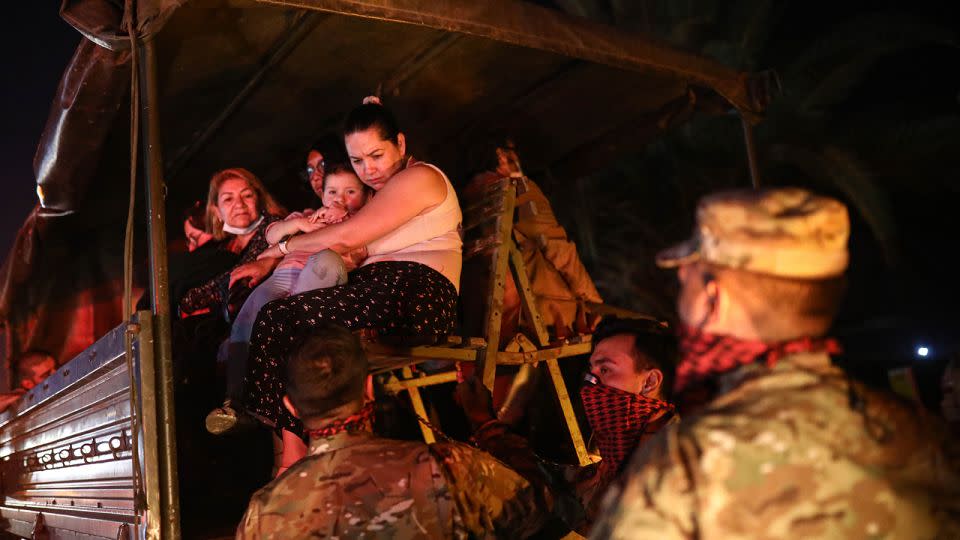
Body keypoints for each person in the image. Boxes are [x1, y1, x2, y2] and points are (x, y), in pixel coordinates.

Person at [592, 187, 960, 539]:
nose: (679, 306)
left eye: (683, 286)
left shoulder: (685, 465)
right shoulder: (930, 440)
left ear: (712, 298)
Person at [239, 97, 462, 474]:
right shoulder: (381, 193)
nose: (369, 169)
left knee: (281, 320)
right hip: (381, 290)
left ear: (401, 145)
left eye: (377, 154)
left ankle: (292, 460)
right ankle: (297, 452)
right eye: (357, 161)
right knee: (281, 320)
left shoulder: (420, 177)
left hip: (415, 295)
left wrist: (281, 248)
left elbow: (346, 238)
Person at [235, 322, 546, 539]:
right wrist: (486, 424)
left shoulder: (264, 513)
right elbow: (537, 507)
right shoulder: (443, 467)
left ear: (291, 407)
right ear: (369, 389)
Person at [457, 316, 678, 534]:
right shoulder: (616, 458)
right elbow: (550, 485)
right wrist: (484, 423)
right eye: (591, 373)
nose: (591, 386)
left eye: (606, 370)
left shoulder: (675, 465)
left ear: (649, 382)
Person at [206, 161, 372, 434]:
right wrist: (300, 224)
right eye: (332, 192)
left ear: (364, 197)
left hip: (314, 279)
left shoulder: (359, 224)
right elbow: (272, 234)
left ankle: (270, 409)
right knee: (247, 320)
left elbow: (355, 255)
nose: (339, 199)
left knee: (287, 322)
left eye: (350, 192)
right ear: (322, 195)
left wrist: (341, 229)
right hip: (283, 274)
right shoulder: (308, 216)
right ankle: (234, 402)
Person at [177, 168, 285, 318]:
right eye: (228, 199)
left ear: (258, 199)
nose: (239, 204)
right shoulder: (222, 245)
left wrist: (190, 302)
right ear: (217, 212)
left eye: (247, 195)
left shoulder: (273, 227)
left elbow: (237, 279)